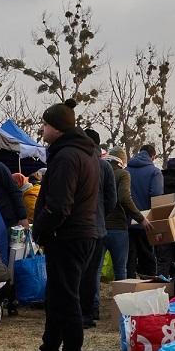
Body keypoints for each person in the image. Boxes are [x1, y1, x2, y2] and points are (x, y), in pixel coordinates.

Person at [20, 100, 100, 351]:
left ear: (56, 127)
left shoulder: (67, 157)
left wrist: (40, 230)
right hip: (78, 233)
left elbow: (59, 206)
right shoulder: (84, 154)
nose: (41, 129)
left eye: (44, 124)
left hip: (68, 235)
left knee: (66, 300)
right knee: (56, 298)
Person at [79, 129, 113, 327]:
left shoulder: (78, 163)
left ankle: (81, 311)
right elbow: (112, 199)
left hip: (79, 228)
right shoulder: (104, 167)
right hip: (98, 228)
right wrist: (101, 215)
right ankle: (89, 312)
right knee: (92, 273)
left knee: (80, 273)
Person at [104, 150, 142, 282]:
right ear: (121, 161)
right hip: (118, 227)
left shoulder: (99, 172)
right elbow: (124, 197)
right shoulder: (123, 174)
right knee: (120, 269)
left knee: (94, 269)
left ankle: (93, 302)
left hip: (99, 227)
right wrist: (141, 218)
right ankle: (120, 299)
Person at [125, 143, 162, 276]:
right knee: (147, 258)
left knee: (129, 259)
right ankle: (148, 286)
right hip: (146, 223)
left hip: (127, 221)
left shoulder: (126, 169)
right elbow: (156, 195)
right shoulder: (155, 172)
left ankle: (127, 287)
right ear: (153, 156)